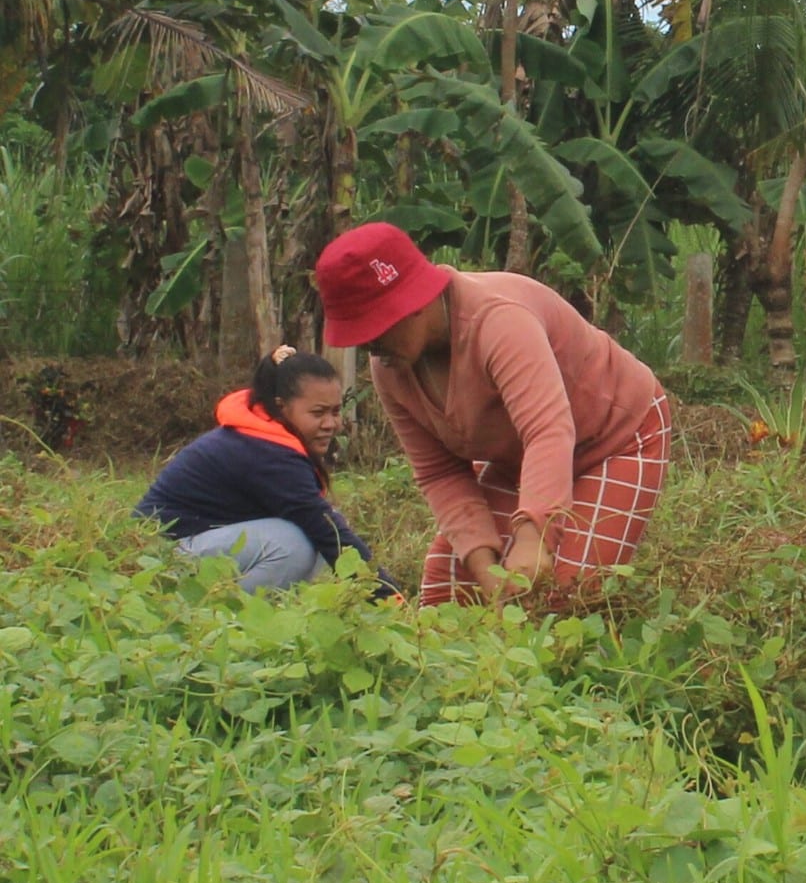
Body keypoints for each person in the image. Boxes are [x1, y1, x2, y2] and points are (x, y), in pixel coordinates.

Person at [314, 222, 671, 609]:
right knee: (449, 584)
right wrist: (486, 572)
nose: (371, 344)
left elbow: (546, 430)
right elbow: (440, 472)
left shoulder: (499, 321)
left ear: (412, 303)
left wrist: (533, 537)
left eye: (375, 330)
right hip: (518, 453)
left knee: (564, 595)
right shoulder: (391, 367)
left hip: (616, 439)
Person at [135, 347, 397, 597]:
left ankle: (256, 611)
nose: (331, 424)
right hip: (158, 554)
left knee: (316, 532)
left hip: (193, 543)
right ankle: (221, 615)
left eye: (336, 411)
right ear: (281, 406)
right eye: (318, 413)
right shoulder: (267, 453)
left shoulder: (264, 437)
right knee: (294, 544)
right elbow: (326, 529)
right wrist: (387, 593)